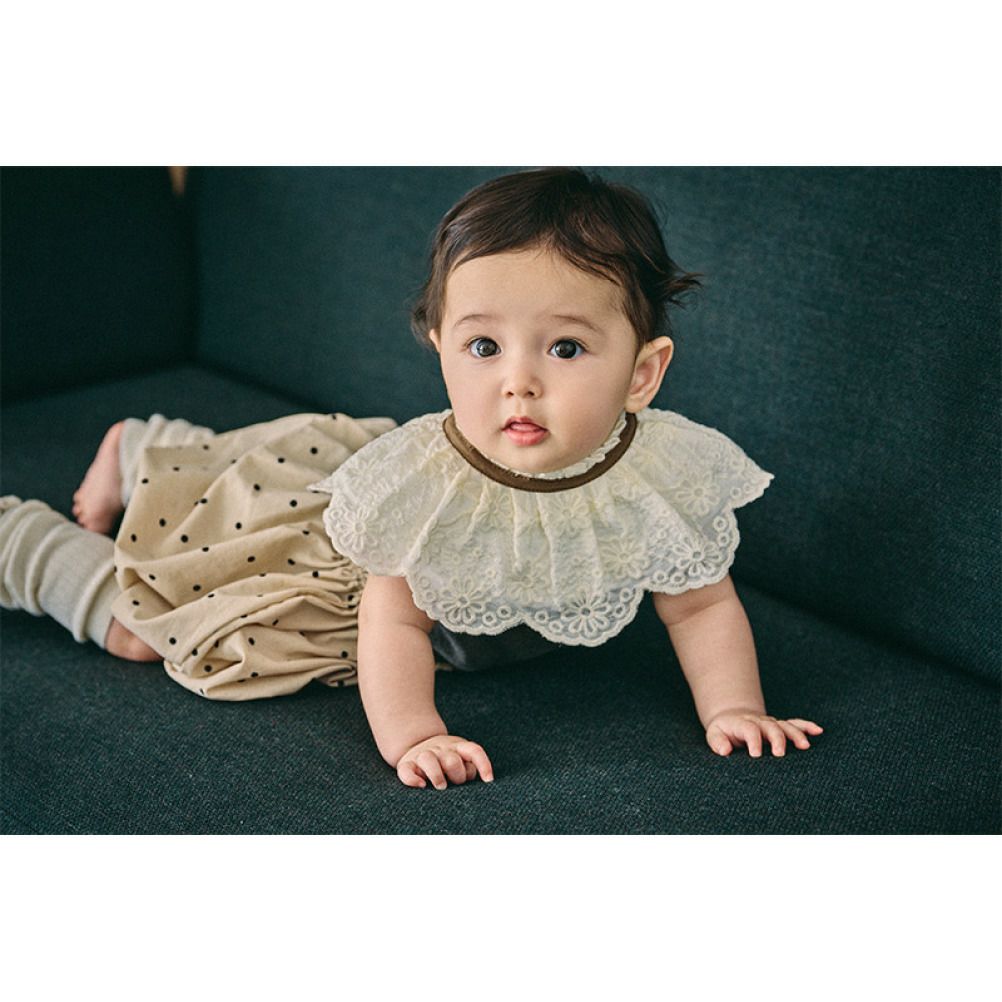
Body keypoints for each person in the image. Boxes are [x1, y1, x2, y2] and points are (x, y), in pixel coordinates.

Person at [1, 167, 822, 790]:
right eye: (483, 346)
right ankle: (24, 542)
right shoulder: (427, 489)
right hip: (341, 578)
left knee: (263, 478)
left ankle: (148, 448)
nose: (519, 382)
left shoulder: (658, 477)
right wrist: (415, 734)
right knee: (159, 630)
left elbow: (701, 606)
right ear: (440, 346)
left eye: (566, 348)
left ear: (642, 374)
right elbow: (393, 622)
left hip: (396, 555)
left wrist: (735, 708)